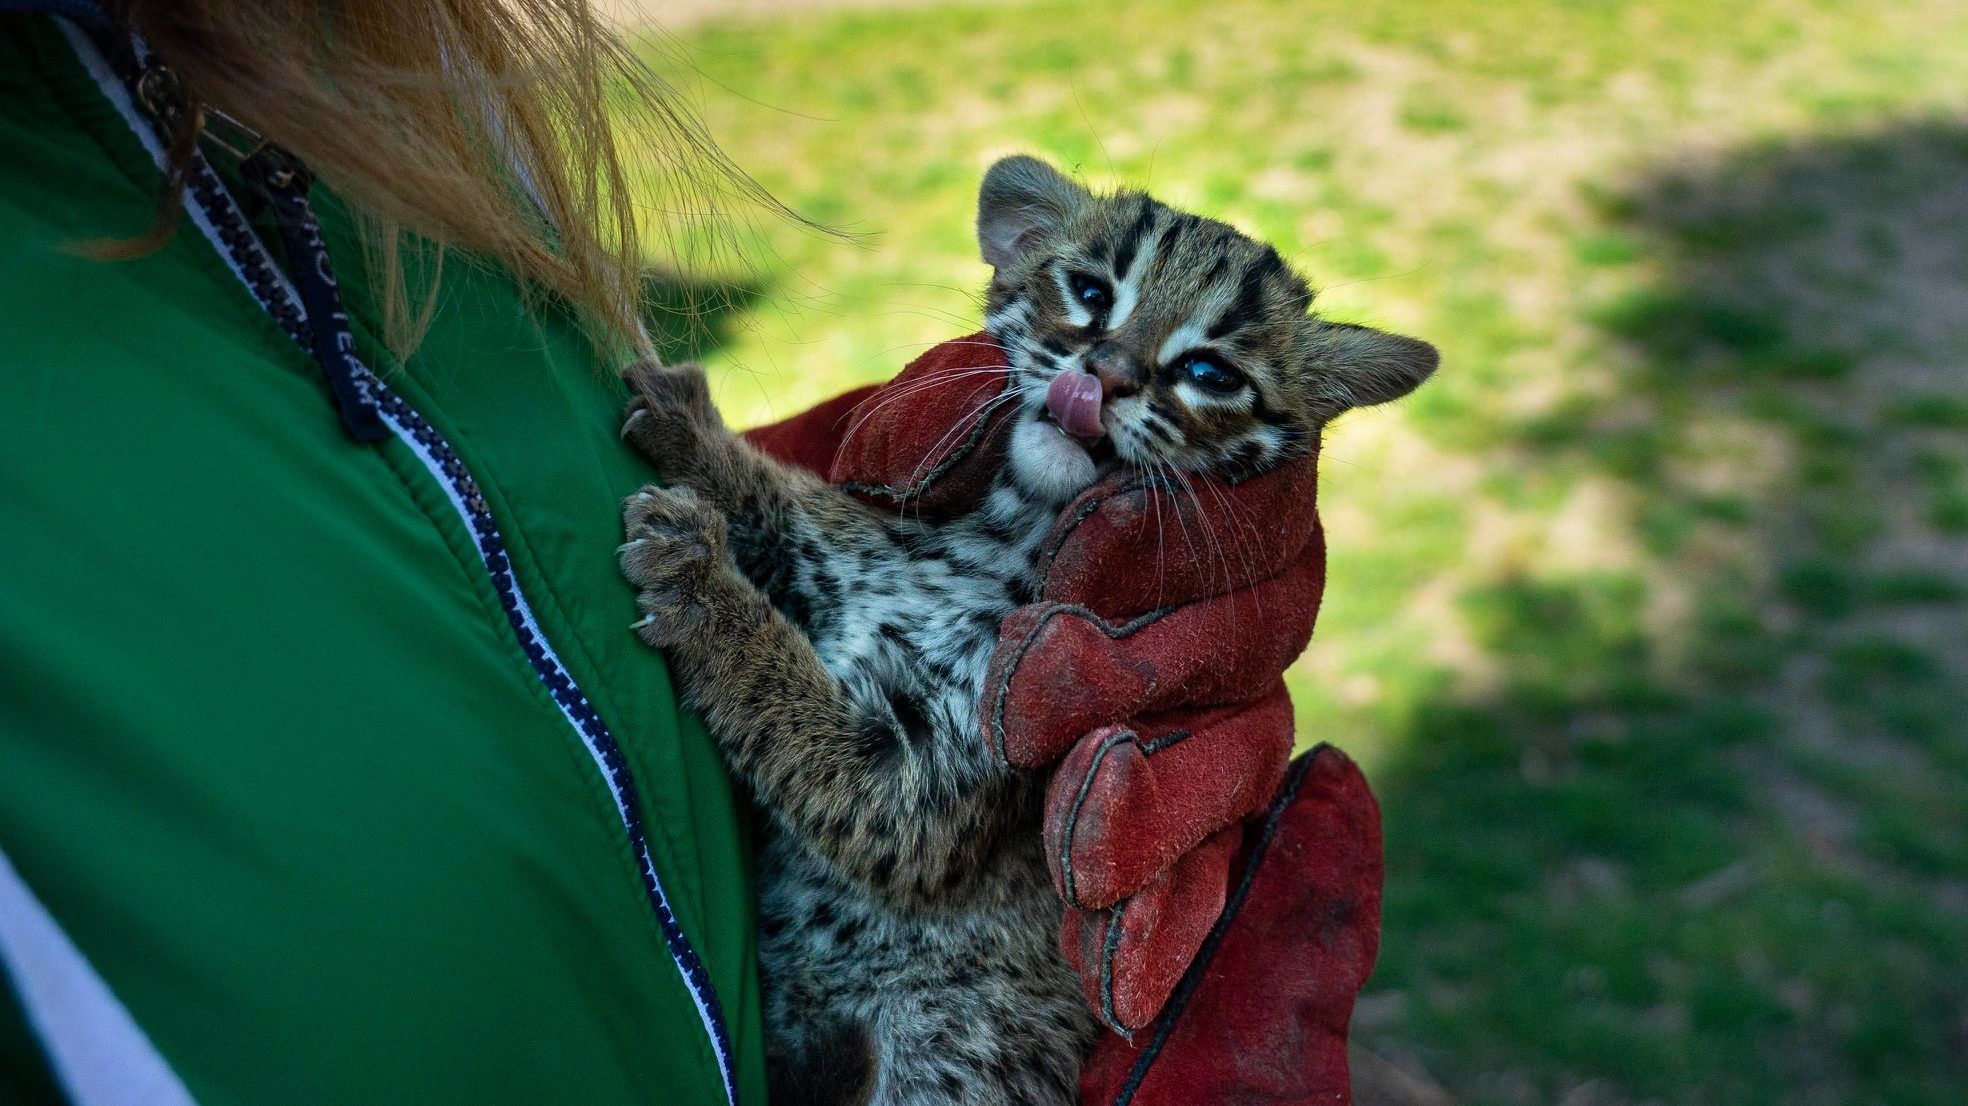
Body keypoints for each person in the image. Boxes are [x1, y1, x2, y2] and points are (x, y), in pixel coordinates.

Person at [0, 2, 1380, 1103]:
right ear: (1015, 264)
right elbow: (883, 801)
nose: (1111, 373)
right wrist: (725, 544)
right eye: (1086, 302)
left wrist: (729, 511)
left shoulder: (373, 89)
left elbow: (874, 780)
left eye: (1189, 371)